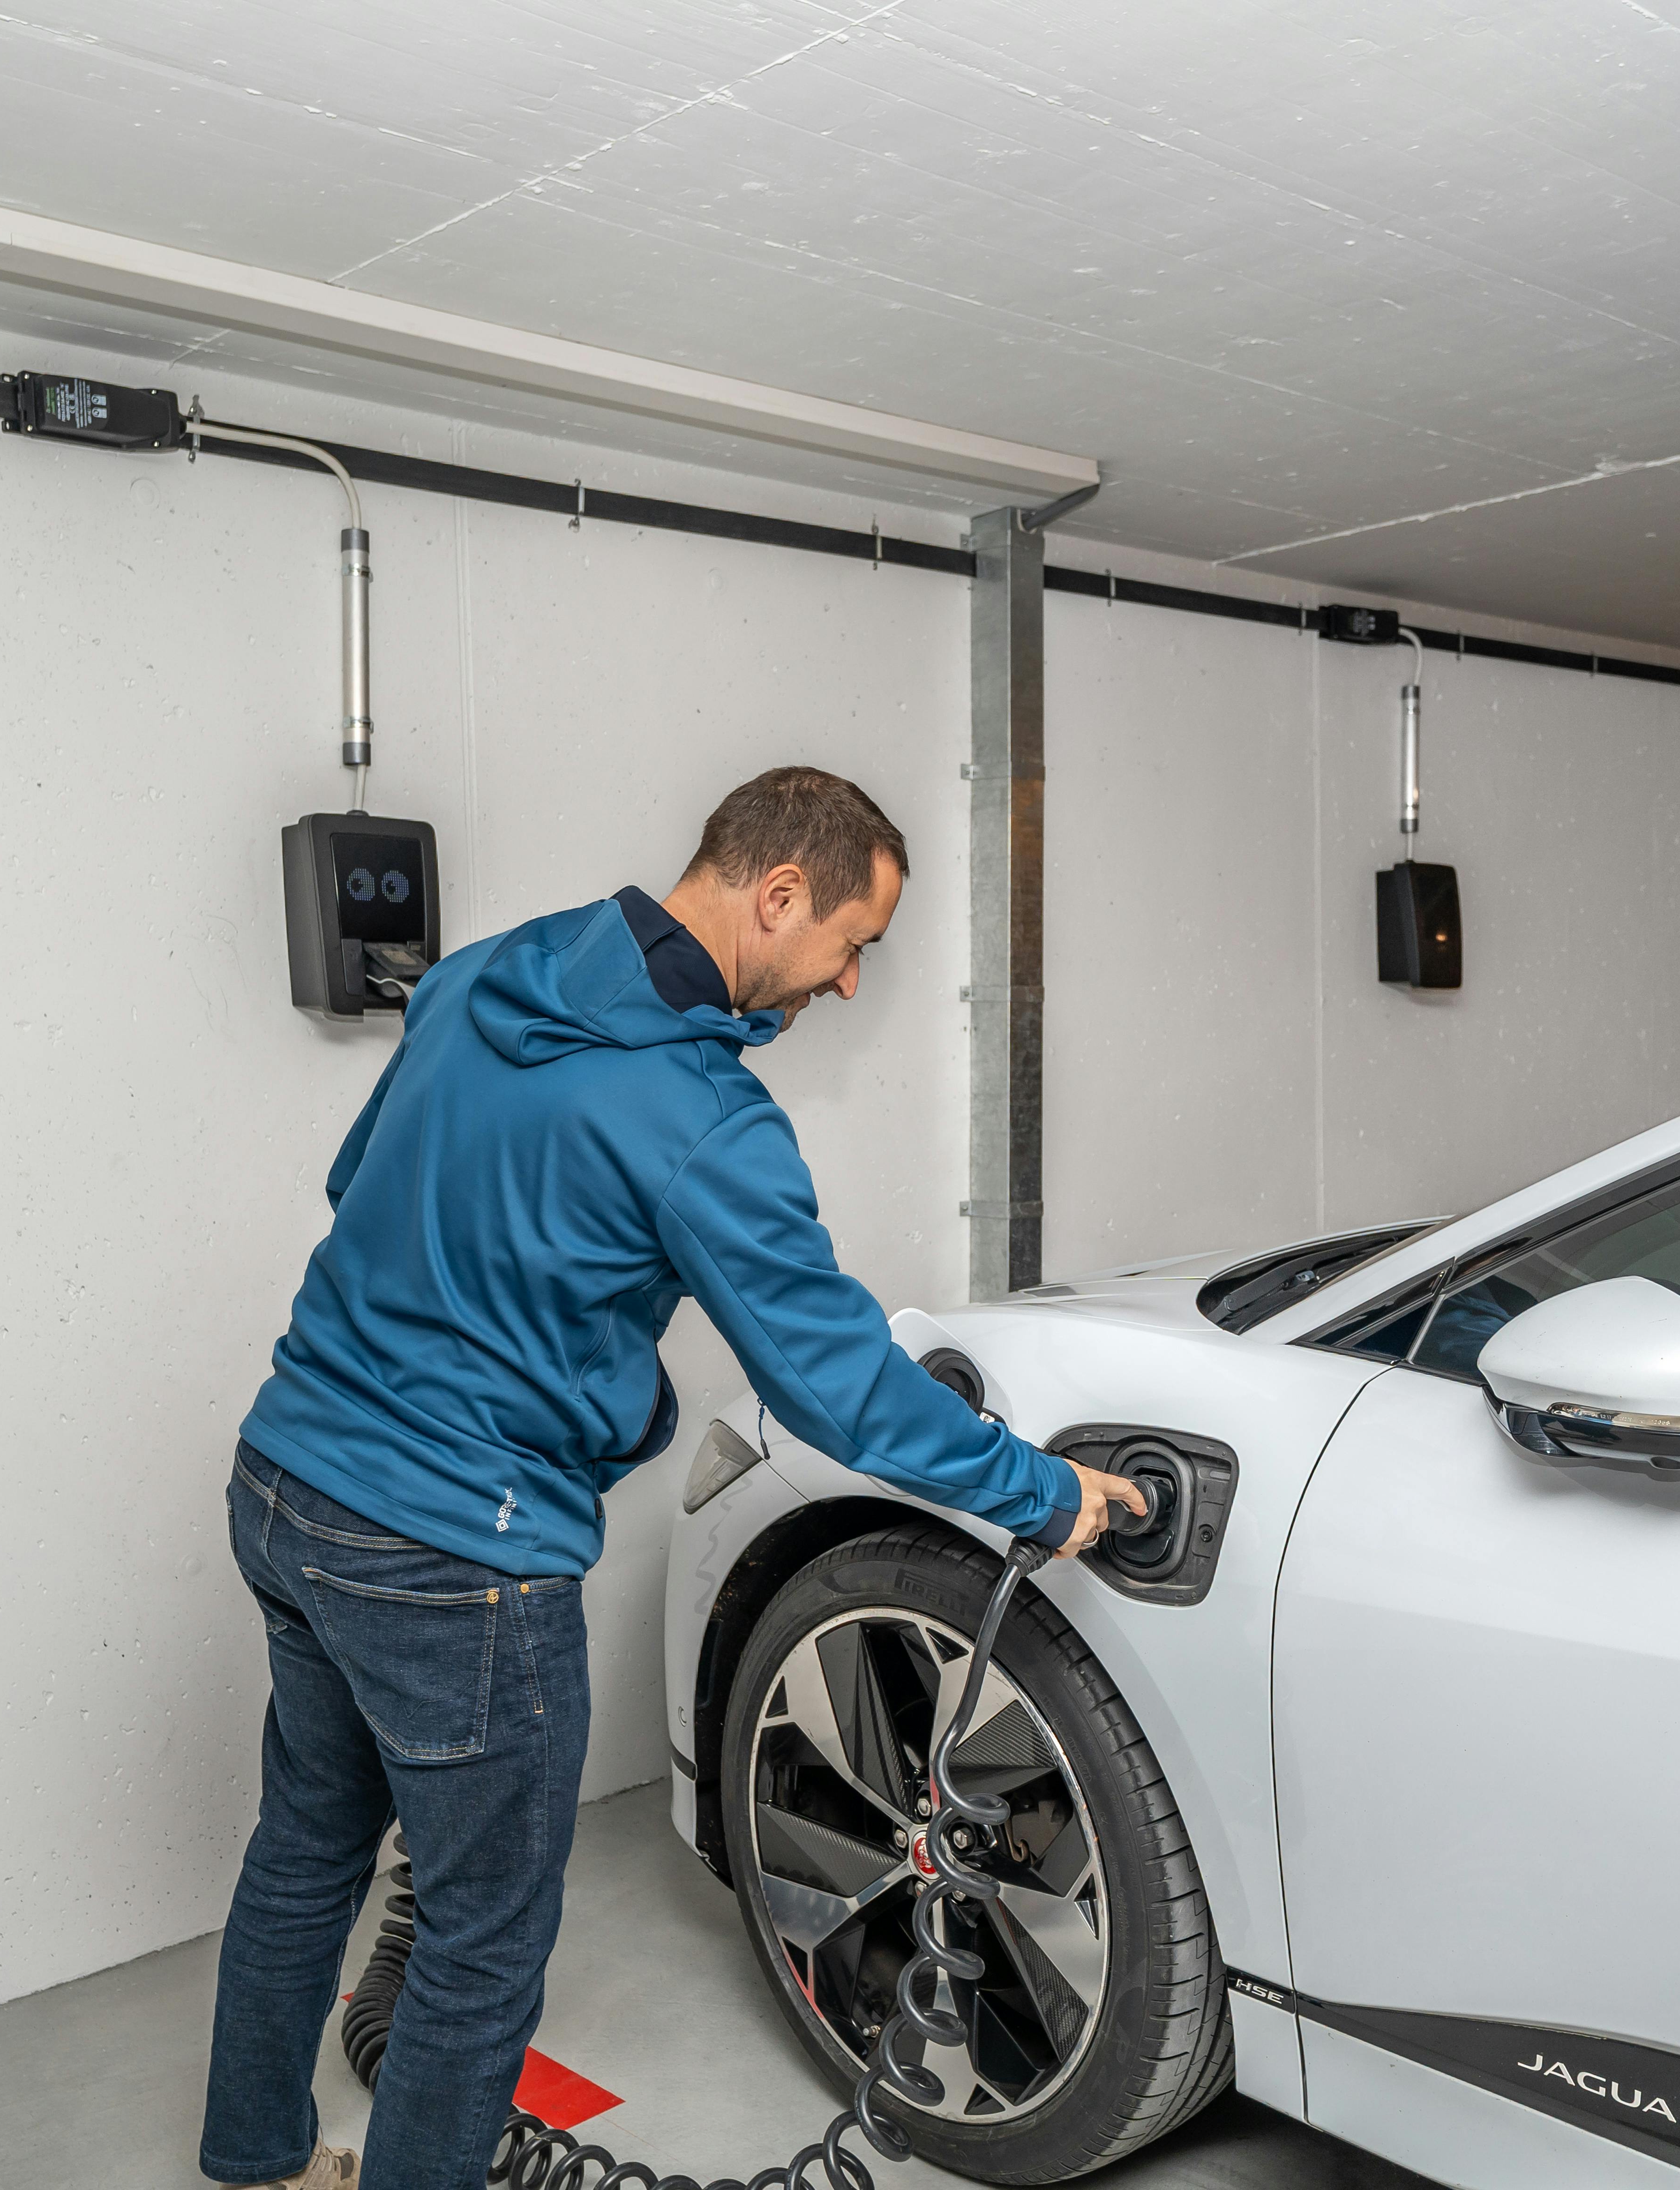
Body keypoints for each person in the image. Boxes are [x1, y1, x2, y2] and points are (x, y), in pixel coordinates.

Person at [200, 766, 1147, 2190]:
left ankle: (260, 2162)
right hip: (456, 1551)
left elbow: (363, 1187)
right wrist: (1041, 1494)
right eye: (853, 946)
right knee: (480, 1941)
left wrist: (568, 1361)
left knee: (306, 1849)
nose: (843, 986)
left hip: (286, 1482)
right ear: (778, 896)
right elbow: (833, 1386)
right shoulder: (704, 1118)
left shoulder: (484, 975)